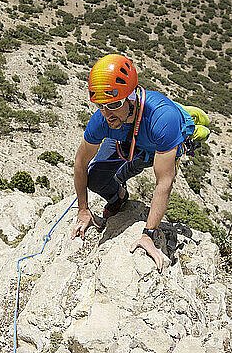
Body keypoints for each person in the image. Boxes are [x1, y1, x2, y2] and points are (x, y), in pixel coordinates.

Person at [71, 54, 210, 270]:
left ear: (132, 97)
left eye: (114, 104)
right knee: (97, 177)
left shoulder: (162, 119)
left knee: (142, 160)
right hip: (126, 134)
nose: (107, 113)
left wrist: (149, 234)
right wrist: (83, 209)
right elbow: (80, 164)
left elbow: (164, 181)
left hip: (155, 140)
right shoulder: (104, 119)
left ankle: (188, 126)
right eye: (101, 105)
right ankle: (119, 197)